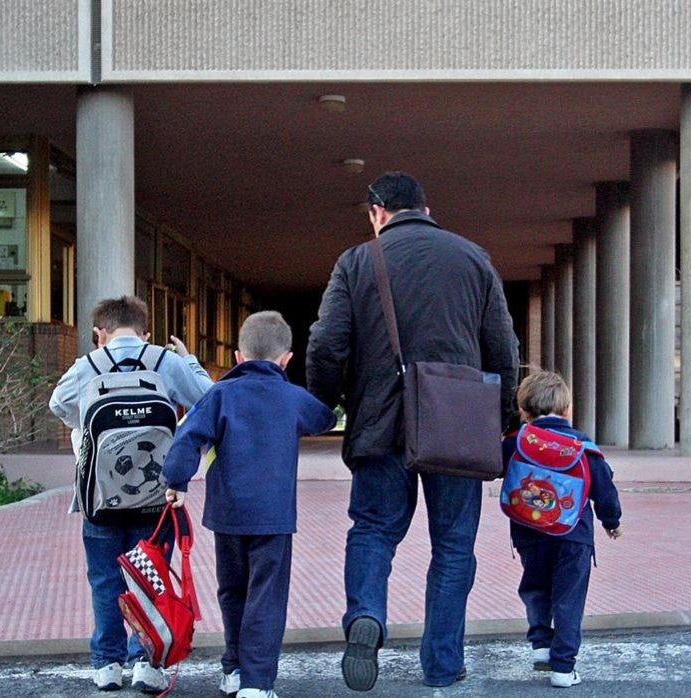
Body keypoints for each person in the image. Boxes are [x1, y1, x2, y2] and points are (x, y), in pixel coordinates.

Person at [306, 171, 520, 690]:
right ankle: (443, 664)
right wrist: (503, 420)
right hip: (456, 427)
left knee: (374, 530)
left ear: (379, 210)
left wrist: (324, 406)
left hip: (381, 425)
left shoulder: (357, 262)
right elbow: (503, 349)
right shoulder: (473, 259)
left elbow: (326, 344)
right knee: (452, 546)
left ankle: (367, 616)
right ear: (425, 209)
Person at [163, 311, 336, 698]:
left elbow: (187, 436)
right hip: (274, 517)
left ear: (239, 357)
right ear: (286, 359)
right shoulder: (291, 397)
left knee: (232, 591)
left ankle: (234, 668)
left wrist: (176, 480)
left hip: (227, 515)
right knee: (266, 597)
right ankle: (257, 682)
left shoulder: (221, 394)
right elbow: (324, 418)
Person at [48, 295, 214, 693]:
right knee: (150, 576)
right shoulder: (164, 362)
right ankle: (147, 662)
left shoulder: (87, 366)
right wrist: (188, 360)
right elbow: (209, 399)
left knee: (106, 580)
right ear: (146, 333)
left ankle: (107, 665)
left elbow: (58, 404)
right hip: (157, 498)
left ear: (98, 335)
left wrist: (86, 424)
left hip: (99, 498)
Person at [508, 370, 622, 688]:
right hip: (574, 536)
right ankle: (563, 667)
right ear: (568, 410)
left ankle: (542, 646)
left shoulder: (516, 442)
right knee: (569, 599)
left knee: (535, 589)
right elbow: (604, 490)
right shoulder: (583, 445)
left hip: (530, 534)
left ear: (523, 411)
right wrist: (611, 522)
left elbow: (493, 468)